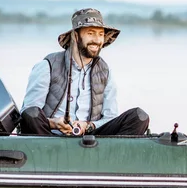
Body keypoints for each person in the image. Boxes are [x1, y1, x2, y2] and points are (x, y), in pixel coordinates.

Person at [20, 8, 149, 136]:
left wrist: (88, 126)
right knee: (31, 114)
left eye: (100, 34)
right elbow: (29, 113)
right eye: (91, 33)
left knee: (138, 117)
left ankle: (108, 155)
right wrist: (54, 123)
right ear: (75, 36)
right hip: (50, 136)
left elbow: (110, 118)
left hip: (90, 138)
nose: (97, 40)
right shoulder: (47, 65)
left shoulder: (105, 71)